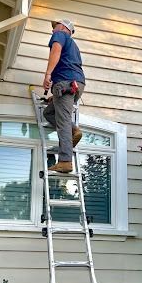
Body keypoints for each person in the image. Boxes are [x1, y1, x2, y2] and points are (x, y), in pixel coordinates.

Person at [43, 19, 85, 173]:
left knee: (63, 122)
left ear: (63, 27)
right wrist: (56, 95)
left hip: (65, 84)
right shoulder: (74, 46)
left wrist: (48, 75)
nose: (53, 30)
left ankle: (65, 161)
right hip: (74, 85)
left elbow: (56, 51)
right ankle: (74, 131)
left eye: (55, 27)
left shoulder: (60, 35)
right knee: (48, 113)